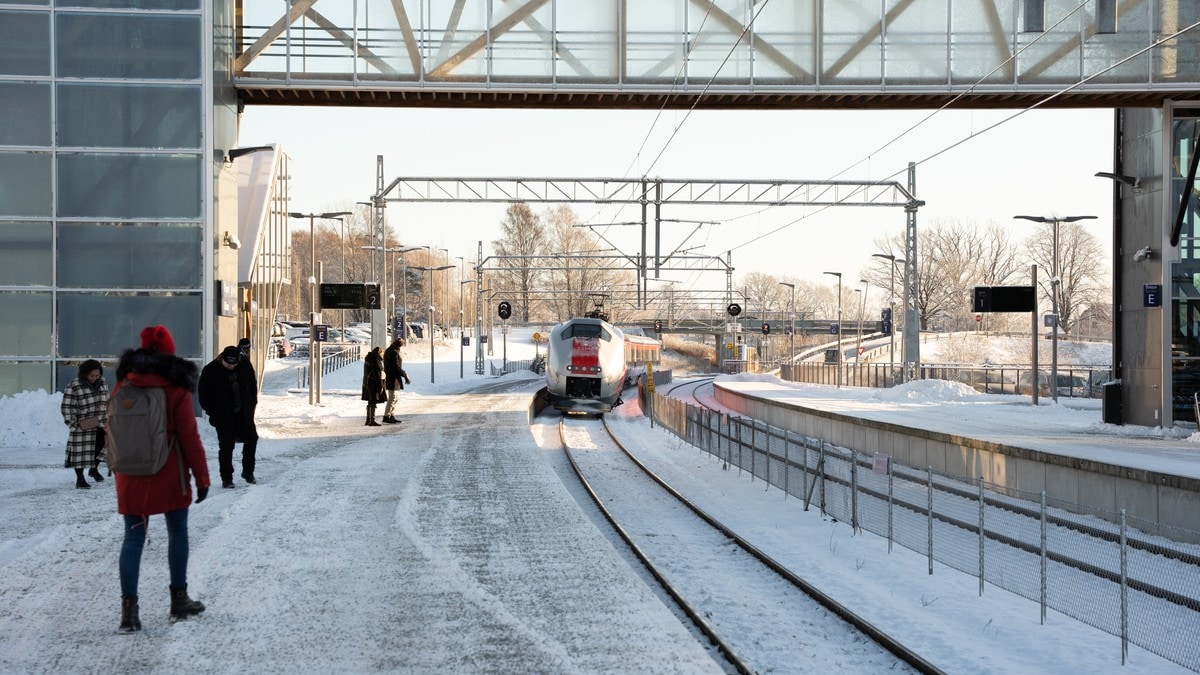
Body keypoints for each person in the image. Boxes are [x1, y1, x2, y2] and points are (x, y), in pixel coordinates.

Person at [112, 325, 210, 632]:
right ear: (169, 350)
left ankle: (129, 612)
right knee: (177, 531)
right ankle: (178, 599)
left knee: (133, 537)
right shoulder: (175, 387)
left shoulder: (123, 384)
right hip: (169, 472)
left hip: (131, 474)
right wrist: (202, 477)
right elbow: (189, 437)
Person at [198, 345, 259, 488]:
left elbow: (252, 383)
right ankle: (227, 478)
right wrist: (213, 413)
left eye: (234, 364)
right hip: (224, 416)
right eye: (228, 363)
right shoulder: (211, 370)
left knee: (252, 439)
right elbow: (203, 395)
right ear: (222, 359)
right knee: (226, 446)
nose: (231, 366)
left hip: (244, 413)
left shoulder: (244, 365)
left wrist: (252, 402)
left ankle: (248, 472)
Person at [61, 359, 109, 489]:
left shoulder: (103, 383)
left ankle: (93, 469)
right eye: (91, 375)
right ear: (84, 373)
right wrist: (74, 425)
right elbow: (67, 407)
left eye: (97, 375)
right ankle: (80, 479)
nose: (95, 378)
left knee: (103, 447)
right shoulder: (74, 386)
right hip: (83, 424)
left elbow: (106, 401)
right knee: (80, 452)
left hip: (101, 422)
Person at [381, 338, 411, 424]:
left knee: (395, 398)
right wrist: (405, 375)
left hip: (393, 377)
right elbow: (396, 366)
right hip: (392, 378)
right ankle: (387, 416)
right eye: (401, 344)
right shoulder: (393, 352)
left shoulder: (391, 350)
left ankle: (391, 415)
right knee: (393, 398)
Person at [362, 346, 387, 427]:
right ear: (379, 353)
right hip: (373, 383)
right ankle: (372, 420)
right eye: (382, 353)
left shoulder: (369, 359)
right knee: (373, 401)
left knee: (370, 401)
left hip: (368, 382)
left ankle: (368, 420)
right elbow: (377, 373)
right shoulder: (375, 360)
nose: (382, 355)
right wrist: (380, 386)